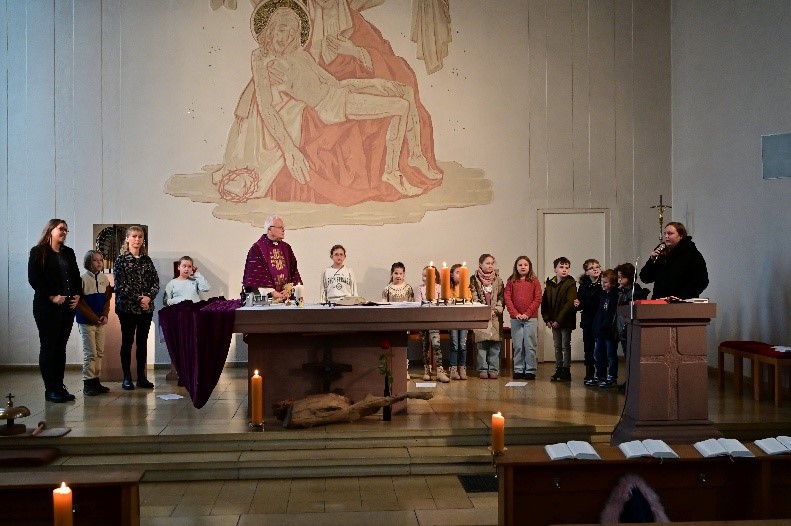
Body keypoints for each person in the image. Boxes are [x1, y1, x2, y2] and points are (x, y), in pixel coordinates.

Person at [214, 1, 441, 205]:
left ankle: (415, 156)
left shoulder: (301, 56)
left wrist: (368, 83)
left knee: (404, 91)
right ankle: (391, 172)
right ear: (271, 28)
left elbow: (333, 82)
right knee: (400, 107)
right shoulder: (263, 59)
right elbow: (266, 108)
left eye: (292, 32)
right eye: (282, 30)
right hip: (330, 107)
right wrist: (291, 151)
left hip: (338, 93)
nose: (286, 37)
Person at [27, 219, 81, 403]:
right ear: (50, 230)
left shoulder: (68, 253)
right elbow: (34, 279)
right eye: (61, 229)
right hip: (47, 307)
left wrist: (77, 296)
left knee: (61, 348)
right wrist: (51, 296)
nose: (64, 232)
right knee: (49, 347)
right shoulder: (38, 252)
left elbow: (75, 276)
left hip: (67, 307)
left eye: (66, 229)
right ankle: (50, 389)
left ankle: (59, 386)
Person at [114, 226, 160, 390]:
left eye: (140, 237)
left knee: (142, 342)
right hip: (127, 308)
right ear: (127, 239)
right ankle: (127, 377)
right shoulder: (121, 260)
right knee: (127, 342)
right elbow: (120, 286)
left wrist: (148, 297)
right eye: (134, 236)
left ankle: (141, 377)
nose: (137, 239)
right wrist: (139, 298)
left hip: (145, 308)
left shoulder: (147, 260)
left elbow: (155, 282)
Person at [75, 250, 113, 396]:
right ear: (88, 263)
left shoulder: (104, 278)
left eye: (101, 260)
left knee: (99, 352)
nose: (99, 263)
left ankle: (96, 381)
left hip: (100, 321)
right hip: (87, 322)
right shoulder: (82, 279)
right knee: (90, 353)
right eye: (95, 260)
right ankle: (88, 382)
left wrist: (104, 315)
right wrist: (93, 318)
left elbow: (107, 300)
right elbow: (80, 303)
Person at [639, 221, 709, 300]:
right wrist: (651, 260)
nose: (666, 236)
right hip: (659, 303)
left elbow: (702, 281)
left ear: (681, 236)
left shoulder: (692, 254)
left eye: (670, 233)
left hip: (682, 304)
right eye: (665, 234)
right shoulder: (661, 253)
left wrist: (681, 297)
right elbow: (645, 278)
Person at [243, 215, 302, 300]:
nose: (283, 230)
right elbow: (256, 275)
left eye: (283, 227)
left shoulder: (286, 248)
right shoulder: (257, 248)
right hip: (267, 299)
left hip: (286, 297)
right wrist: (272, 292)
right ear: (270, 229)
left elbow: (294, 271)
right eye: (280, 227)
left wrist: (289, 289)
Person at [504, 256, 542, 381]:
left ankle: (530, 370)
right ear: (516, 267)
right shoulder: (511, 281)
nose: (523, 267)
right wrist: (515, 313)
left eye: (525, 264)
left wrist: (528, 313)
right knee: (518, 345)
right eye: (520, 265)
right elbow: (507, 299)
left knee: (530, 345)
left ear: (529, 266)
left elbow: (537, 298)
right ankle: (518, 369)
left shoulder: (534, 281)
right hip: (516, 319)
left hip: (530, 318)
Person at [541, 257, 578, 382]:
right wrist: (547, 319)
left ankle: (566, 370)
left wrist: (559, 320)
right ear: (555, 269)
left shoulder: (570, 283)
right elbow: (545, 303)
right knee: (557, 346)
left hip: (565, 321)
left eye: (567, 268)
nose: (564, 270)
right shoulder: (550, 284)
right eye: (561, 267)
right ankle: (558, 368)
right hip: (553, 320)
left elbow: (569, 304)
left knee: (565, 346)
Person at [470, 254, 504, 380]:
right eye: (487, 263)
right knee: (482, 344)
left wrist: (496, 310)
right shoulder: (474, 279)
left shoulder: (498, 280)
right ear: (480, 264)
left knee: (495, 345)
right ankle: (483, 369)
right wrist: (483, 311)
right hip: (481, 316)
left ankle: (494, 368)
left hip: (495, 316)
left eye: (492, 263)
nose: (490, 266)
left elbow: (501, 297)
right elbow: (473, 296)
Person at [415, 265, 449, 382]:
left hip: (435, 320)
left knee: (436, 344)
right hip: (423, 320)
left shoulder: (440, 288)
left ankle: (440, 369)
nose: (425, 278)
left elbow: (443, 303)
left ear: (435, 276)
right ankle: (426, 369)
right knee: (425, 345)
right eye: (423, 276)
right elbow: (418, 304)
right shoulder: (420, 289)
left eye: (427, 275)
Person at [573, 259, 602, 385]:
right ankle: (589, 374)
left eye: (597, 267)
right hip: (588, 320)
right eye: (591, 268)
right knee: (588, 348)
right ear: (586, 272)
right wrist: (577, 304)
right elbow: (581, 304)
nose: (595, 269)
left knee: (601, 349)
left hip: (601, 320)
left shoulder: (604, 283)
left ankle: (601, 374)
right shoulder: (584, 286)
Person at [590, 269, 620, 388]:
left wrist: (605, 326)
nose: (603, 284)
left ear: (613, 283)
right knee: (598, 354)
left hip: (609, 332)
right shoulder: (602, 294)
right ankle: (600, 375)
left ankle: (612, 376)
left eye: (606, 282)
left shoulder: (615, 296)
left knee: (611, 355)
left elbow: (611, 314)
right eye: (602, 282)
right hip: (600, 331)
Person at [447, 263, 468, 380]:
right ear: (451, 274)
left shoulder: (466, 287)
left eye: (462, 273)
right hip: (453, 319)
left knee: (462, 344)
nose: (460, 275)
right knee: (454, 344)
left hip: (464, 319)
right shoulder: (448, 287)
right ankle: (453, 367)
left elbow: (469, 299)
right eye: (457, 272)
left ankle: (462, 367)